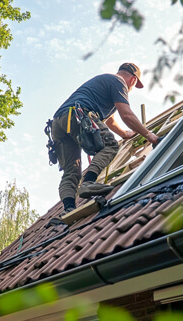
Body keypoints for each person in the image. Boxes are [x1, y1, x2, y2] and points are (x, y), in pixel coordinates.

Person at [50, 63, 159, 216]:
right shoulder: (119, 82)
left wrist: (124, 134)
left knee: (71, 170)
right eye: (134, 85)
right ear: (133, 80)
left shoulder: (104, 83)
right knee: (111, 146)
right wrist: (149, 135)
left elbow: (111, 121)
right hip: (79, 114)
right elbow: (126, 115)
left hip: (59, 123)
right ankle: (88, 183)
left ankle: (68, 209)